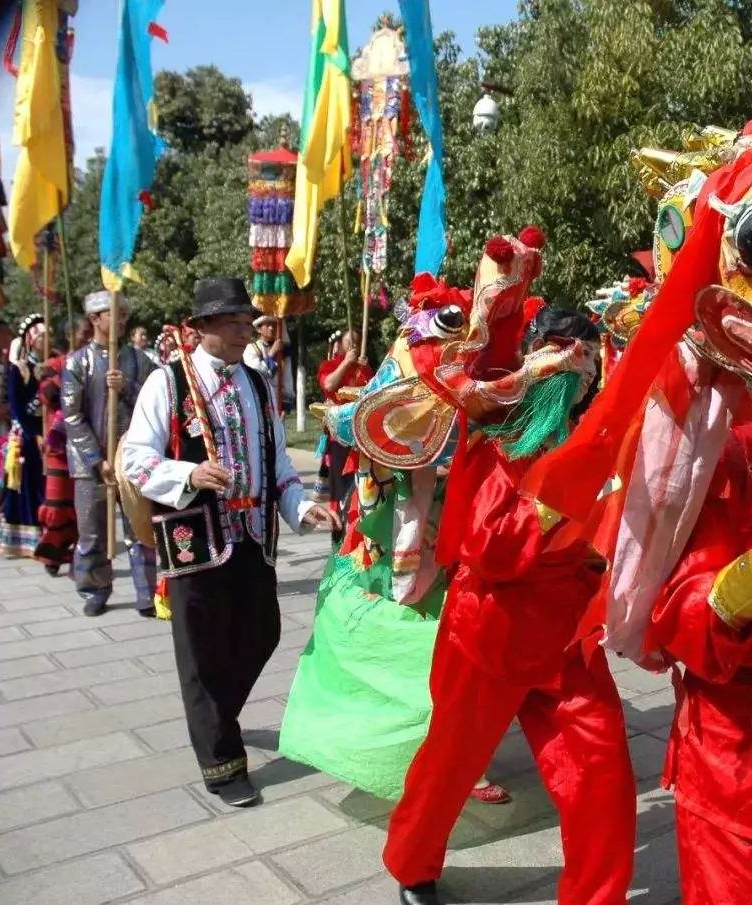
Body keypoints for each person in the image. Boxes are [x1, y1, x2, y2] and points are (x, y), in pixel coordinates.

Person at [383, 307, 636, 905]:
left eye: (586, 352)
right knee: (450, 764)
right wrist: (563, 503)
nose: (576, 363)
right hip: (490, 629)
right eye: (561, 349)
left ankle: (598, 897)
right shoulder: (503, 433)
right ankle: (413, 864)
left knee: (601, 775)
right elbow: (489, 547)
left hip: (567, 633)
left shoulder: (599, 430)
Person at [122, 276, 340, 807]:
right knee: (201, 652)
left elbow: (279, 464)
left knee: (262, 632)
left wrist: (302, 506)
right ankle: (221, 762)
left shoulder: (259, 383)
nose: (247, 330)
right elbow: (136, 459)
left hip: (252, 536)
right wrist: (189, 475)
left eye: (248, 321)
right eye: (235, 322)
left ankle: (217, 715)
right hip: (194, 539)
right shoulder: (166, 383)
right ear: (202, 328)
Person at [62, 291, 157, 616]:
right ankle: (94, 590)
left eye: (124, 315)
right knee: (93, 532)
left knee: (140, 527)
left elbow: (154, 404)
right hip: (91, 465)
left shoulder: (139, 360)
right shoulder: (77, 363)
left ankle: (148, 594)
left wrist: (128, 386)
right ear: (95, 319)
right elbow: (72, 417)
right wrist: (96, 460)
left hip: (131, 460)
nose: (120, 321)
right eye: (113, 315)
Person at [34, 320, 92, 575]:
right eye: (83, 332)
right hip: (59, 446)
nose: (88, 337)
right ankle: (52, 554)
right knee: (57, 504)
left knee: (84, 508)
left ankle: (80, 558)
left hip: (85, 443)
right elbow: (46, 395)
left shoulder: (95, 362)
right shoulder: (54, 365)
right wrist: (64, 380)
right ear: (70, 334)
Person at [314, 329, 373, 541]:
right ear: (340, 345)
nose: (354, 346)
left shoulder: (364, 369)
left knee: (363, 487)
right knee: (340, 491)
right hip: (339, 437)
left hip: (362, 438)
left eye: (356, 342)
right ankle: (338, 536)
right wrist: (346, 363)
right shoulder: (330, 366)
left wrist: (364, 370)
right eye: (349, 343)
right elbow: (329, 384)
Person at [0, 314, 46, 556]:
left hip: (49, 432)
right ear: (30, 339)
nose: (44, 341)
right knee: (25, 485)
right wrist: (33, 434)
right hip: (26, 436)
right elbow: (16, 407)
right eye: (40, 337)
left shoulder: (52, 365)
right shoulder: (19, 369)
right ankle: (25, 538)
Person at [244, 314, 293, 413]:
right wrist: (272, 353)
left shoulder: (283, 352)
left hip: (278, 401)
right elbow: (257, 373)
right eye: (267, 325)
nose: (271, 328)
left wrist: (286, 403)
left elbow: (287, 377)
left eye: (275, 325)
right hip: (258, 398)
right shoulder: (251, 348)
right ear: (259, 329)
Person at [0, 315, 14, 519]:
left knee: (0, 462)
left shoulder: (7, 365)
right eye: (4, 334)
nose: (8, 337)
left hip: (2, 425)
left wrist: (7, 407)